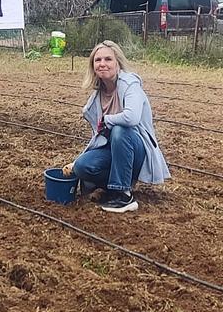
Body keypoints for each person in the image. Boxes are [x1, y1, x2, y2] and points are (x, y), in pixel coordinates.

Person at [63, 41, 170, 213]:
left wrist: (108, 119)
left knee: (120, 129)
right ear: (93, 66)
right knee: (82, 167)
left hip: (136, 149)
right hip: (113, 149)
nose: (102, 64)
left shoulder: (130, 85)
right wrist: (75, 162)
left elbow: (132, 117)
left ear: (117, 63)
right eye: (97, 60)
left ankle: (123, 195)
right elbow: (98, 137)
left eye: (108, 59)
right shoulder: (96, 97)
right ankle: (110, 187)